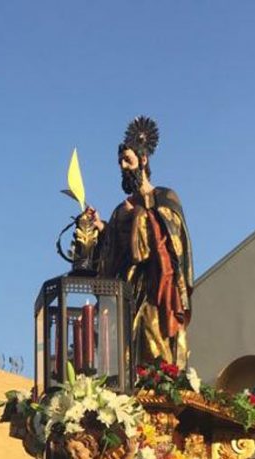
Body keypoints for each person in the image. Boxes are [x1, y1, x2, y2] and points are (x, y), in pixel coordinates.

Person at [79, 116, 194, 366]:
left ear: (143, 160)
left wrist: (141, 216)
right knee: (129, 346)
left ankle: (164, 381)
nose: (123, 166)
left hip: (157, 287)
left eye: (128, 160)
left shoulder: (165, 196)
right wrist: (101, 229)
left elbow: (175, 241)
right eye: (120, 162)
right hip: (129, 291)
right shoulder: (123, 208)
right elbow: (113, 250)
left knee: (155, 342)